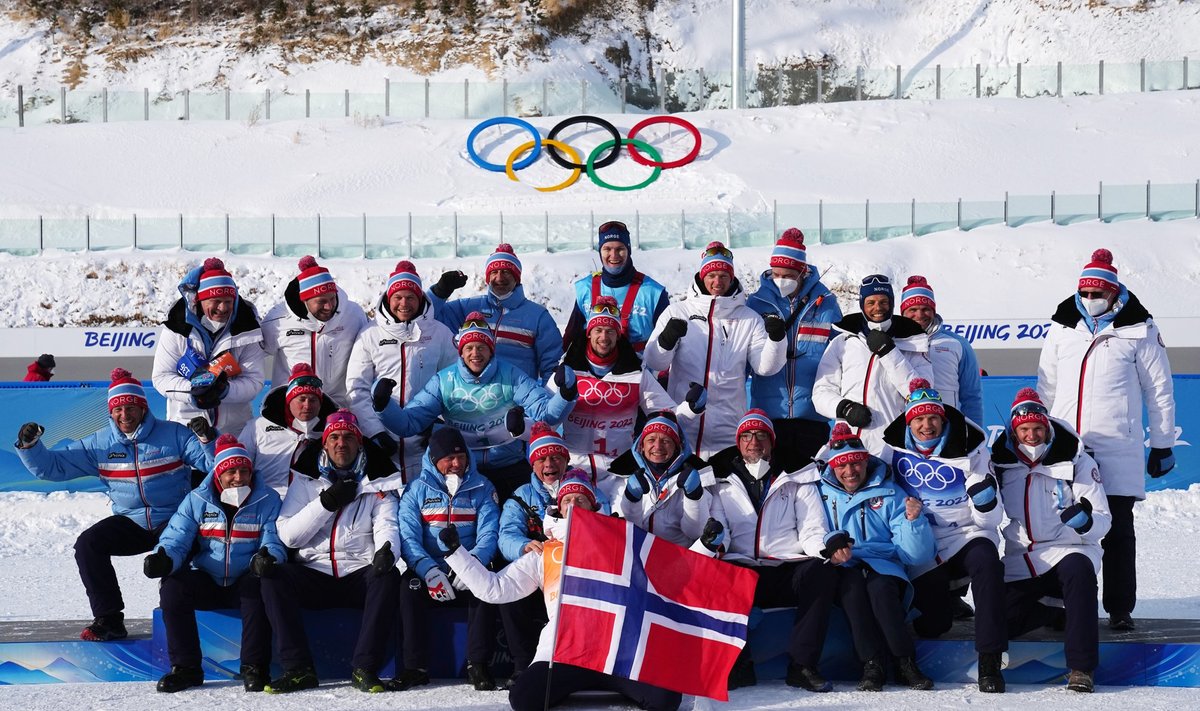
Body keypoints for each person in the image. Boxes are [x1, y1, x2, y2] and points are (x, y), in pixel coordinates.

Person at [442, 473, 683, 711]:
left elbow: (671, 576)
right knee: (523, 699)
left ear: (594, 506)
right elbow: (494, 589)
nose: (574, 505)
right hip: (564, 653)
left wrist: (706, 545)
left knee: (666, 699)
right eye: (567, 500)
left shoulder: (623, 544)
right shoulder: (547, 552)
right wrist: (456, 552)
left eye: (581, 500)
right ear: (560, 509)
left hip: (618, 653)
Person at [14, 368, 213, 641]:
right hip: (131, 521)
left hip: (175, 520)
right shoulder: (98, 444)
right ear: (110, 412)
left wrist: (206, 440)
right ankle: (109, 619)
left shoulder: (174, 434)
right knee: (88, 544)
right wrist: (30, 446)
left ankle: (181, 619)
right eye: (118, 409)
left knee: (174, 565)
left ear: (143, 408)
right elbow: (53, 468)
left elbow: (213, 467)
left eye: (131, 407)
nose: (125, 414)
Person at [1036, 248, 1175, 632]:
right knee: (1060, 523)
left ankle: (1118, 607)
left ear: (1114, 293)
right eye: (1085, 293)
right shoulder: (1062, 326)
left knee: (1116, 529)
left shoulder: (1140, 329)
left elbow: (1159, 389)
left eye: (1097, 293)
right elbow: (1045, 384)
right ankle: (1055, 604)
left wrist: (1161, 443)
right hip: (1066, 444)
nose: (1090, 300)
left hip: (1117, 445)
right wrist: (1038, 435)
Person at [260, 409, 404, 693]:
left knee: (388, 578)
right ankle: (298, 669)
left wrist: (387, 550)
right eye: (335, 437)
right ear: (324, 443)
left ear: (359, 443)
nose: (341, 443)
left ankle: (365, 668)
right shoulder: (304, 479)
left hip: (357, 572)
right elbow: (289, 536)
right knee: (272, 578)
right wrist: (326, 502)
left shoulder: (380, 481)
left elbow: (387, 524)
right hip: (313, 571)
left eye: (349, 437)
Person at [880, 379, 1006, 693]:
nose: (927, 426)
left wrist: (985, 502)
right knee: (934, 626)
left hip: (967, 533)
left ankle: (990, 660)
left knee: (988, 562)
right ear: (909, 422)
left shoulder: (971, 447)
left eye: (933, 418)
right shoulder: (890, 448)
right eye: (919, 419)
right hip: (923, 540)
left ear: (943, 419)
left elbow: (991, 521)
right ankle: (947, 594)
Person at [372, 311, 577, 500]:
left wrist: (566, 393)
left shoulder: (510, 374)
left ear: (491, 351)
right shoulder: (444, 381)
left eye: (481, 347)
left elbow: (546, 415)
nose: (475, 353)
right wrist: (383, 404)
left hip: (510, 465)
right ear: (461, 352)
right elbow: (409, 423)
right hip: (464, 470)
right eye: (469, 348)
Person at [704, 409, 836, 693]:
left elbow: (812, 528)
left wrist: (824, 550)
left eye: (761, 435)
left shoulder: (798, 475)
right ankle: (739, 665)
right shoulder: (720, 480)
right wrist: (716, 542)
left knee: (821, 572)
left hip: (785, 567)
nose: (754, 442)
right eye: (747, 436)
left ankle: (802, 665)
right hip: (744, 568)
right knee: (716, 572)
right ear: (738, 443)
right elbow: (721, 527)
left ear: (772, 441)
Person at [990, 388, 1112, 693]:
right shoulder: (1002, 464)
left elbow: (1104, 520)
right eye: (1024, 430)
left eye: (1037, 428)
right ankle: (1056, 610)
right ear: (1013, 432)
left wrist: (1085, 522)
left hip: (1069, 548)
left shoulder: (1078, 461)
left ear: (1048, 427)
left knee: (1079, 572)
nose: (1031, 436)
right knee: (998, 618)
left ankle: (1081, 668)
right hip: (1024, 558)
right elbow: (988, 514)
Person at [143, 433, 283, 694]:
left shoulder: (268, 500)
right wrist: (163, 558)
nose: (239, 478)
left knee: (259, 587)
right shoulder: (197, 500)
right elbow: (176, 538)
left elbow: (273, 540)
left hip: (245, 577)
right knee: (172, 586)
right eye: (231, 472)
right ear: (218, 475)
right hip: (207, 577)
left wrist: (267, 558)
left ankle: (254, 667)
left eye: (244, 471)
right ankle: (186, 668)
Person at [817, 423, 936, 692]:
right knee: (852, 590)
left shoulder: (891, 492)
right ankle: (872, 664)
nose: (850, 472)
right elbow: (812, 529)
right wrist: (831, 546)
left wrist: (913, 522)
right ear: (833, 468)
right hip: (843, 563)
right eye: (842, 466)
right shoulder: (820, 494)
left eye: (856, 464)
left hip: (883, 563)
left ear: (866, 461)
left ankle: (905, 663)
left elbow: (918, 555)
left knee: (881, 589)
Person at [643, 241, 786, 456]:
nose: (717, 281)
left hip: (728, 428)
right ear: (702, 277)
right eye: (711, 276)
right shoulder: (678, 312)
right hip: (684, 422)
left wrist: (777, 339)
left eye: (723, 276)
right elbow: (655, 362)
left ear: (732, 278)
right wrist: (666, 339)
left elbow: (765, 368)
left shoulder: (748, 318)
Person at [559, 296, 704, 500]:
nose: (604, 337)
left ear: (618, 335)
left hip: (619, 471)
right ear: (589, 333)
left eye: (610, 331)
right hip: (576, 469)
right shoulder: (568, 368)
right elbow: (546, 416)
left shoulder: (636, 372)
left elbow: (667, 415)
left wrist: (692, 407)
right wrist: (521, 425)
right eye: (598, 330)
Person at [396, 427, 501, 691]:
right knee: (408, 588)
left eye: (461, 457)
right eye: (448, 458)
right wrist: (429, 572)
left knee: (485, 588)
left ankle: (477, 665)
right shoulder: (416, 489)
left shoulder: (483, 487)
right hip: (429, 571)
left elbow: (490, 534)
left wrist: (471, 567)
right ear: (434, 460)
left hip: (467, 568)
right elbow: (408, 538)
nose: (456, 464)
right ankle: (415, 667)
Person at [346, 261, 458, 481]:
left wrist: (440, 424)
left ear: (420, 299)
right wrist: (374, 431)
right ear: (389, 298)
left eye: (410, 297)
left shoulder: (440, 334)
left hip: (426, 440)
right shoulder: (369, 335)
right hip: (383, 442)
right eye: (398, 297)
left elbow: (454, 385)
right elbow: (356, 389)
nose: (404, 303)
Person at [747, 229, 843, 461]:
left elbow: (840, 353)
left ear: (803, 271)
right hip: (768, 416)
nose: (781, 280)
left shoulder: (827, 304)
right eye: (775, 274)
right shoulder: (756, 303)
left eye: (788, 275)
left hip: (813, 415)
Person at [812, 274, 933, 454]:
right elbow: (820, 393)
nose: (878, 308)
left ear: (891, 304)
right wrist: (845, 408)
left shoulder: (913, 342)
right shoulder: (843, 341)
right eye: (871, 302)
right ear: (862, 305)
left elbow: (922, 394)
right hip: (849, 446)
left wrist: (889, 352)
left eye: (884, 302)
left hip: (895, 446)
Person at [152, 257, 266, 436]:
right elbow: (161, 377)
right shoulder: (177, 327)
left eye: (229, 301)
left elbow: (254, 381)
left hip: (235, 430)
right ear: (199, 300)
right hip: (186, 428)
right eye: (216, 301)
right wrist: (193, 392)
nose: (223, 308)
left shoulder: (247, 329)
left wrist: (224, 391)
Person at [427, 243, 562, 381]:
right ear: (487, 278)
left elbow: (552, 364)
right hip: (474, 396)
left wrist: (539, 394)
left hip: (518, 397)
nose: (499, 278)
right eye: (494, 272)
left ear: (517, 278)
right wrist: (439, 292)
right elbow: (427, 318)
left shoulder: (538, 316)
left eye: (506, 272)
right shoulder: (469, 307)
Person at [261, 256, 369, 408]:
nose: (329, 306)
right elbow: (255, 354)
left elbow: (368, 354)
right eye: (321, 302)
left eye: (332, 298)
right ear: (304, 300)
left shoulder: (353, 314)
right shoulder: (278, 320)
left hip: (339, 411)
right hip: (294, 409)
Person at [562, 220, 670, 354]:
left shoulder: (653, 293)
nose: (613, 255)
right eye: (607, 249)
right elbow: (570, 337)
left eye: (620, 249)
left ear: (628, 250)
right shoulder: (585, 288)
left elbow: (668, 343)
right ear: (600, 251)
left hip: (641, 370)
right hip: (594, 370)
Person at [611, 411, 711, 547]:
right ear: (642, 445)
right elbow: (625, 531)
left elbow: (695, 533)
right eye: (651, 440)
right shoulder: (621, 476)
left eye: (666, 441)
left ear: (677, 447)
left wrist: (694, 496)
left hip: (677, 558)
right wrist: (631, 499)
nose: (658, 446)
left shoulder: (699, 476)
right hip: (635, 556)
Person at [237, 363, 338, 496]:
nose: (307, 405)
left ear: (320, 404)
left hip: (309, 503)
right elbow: (237, 466)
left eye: (313, 400)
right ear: (289, 401)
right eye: (301, 399)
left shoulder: (332, 434)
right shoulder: (257, 427)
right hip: (264, 501)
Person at [898, 276, 984, 424]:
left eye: (926, 309)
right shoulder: (894, 343)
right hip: (905, 429)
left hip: (949, 428)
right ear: (903, 312)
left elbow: (972, 396)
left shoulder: (957, 343)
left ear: (934, 311)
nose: (919, 315)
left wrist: (975, 433)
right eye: (912, 309)